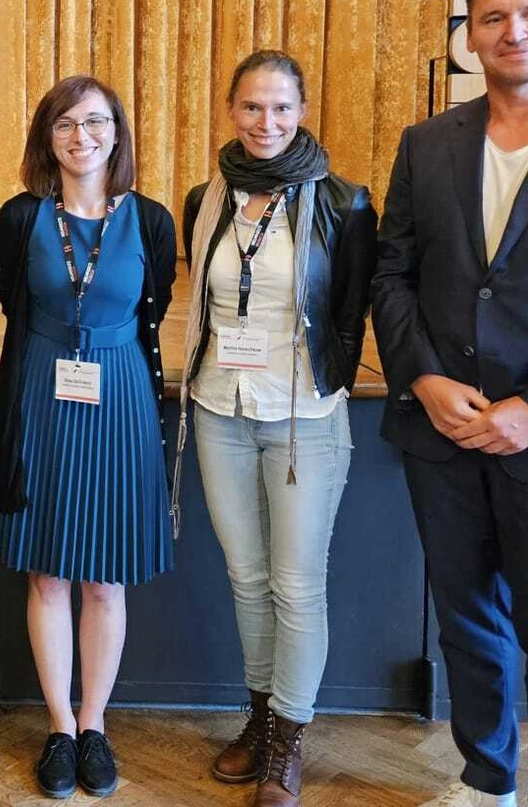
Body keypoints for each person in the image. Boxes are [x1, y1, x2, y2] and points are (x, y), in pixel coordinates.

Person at [372, 0, 528, 807]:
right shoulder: (426, 143)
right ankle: (486, 776)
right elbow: (390, 274)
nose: (512, 32)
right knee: (465, 619)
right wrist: (420, 378)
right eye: (491, 16)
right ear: (468, 36)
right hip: (442, 428)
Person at [175, 49, 378, 807]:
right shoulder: (205, 198)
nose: (266, 123)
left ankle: (288, 738)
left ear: (301, 113)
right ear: (231, 110)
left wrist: (314, 380)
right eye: (252, 107)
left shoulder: (342, 201)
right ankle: (258, 719)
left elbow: (351, 311)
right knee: (246, 579)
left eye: (281, 108)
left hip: (303, 421)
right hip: (219, 410)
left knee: (296, 586)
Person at [0, 75, 177, 800]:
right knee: (46, 572)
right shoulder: (19, 218)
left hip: (119, 393)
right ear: (46, 137)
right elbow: (14, 304)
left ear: (117, 134)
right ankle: (59, 726)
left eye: (95, 122)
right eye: (64, 124)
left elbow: (150, 306)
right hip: (41, 388)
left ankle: (95, 724)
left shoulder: (152, 221)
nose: (81, 136)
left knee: (103, 577)